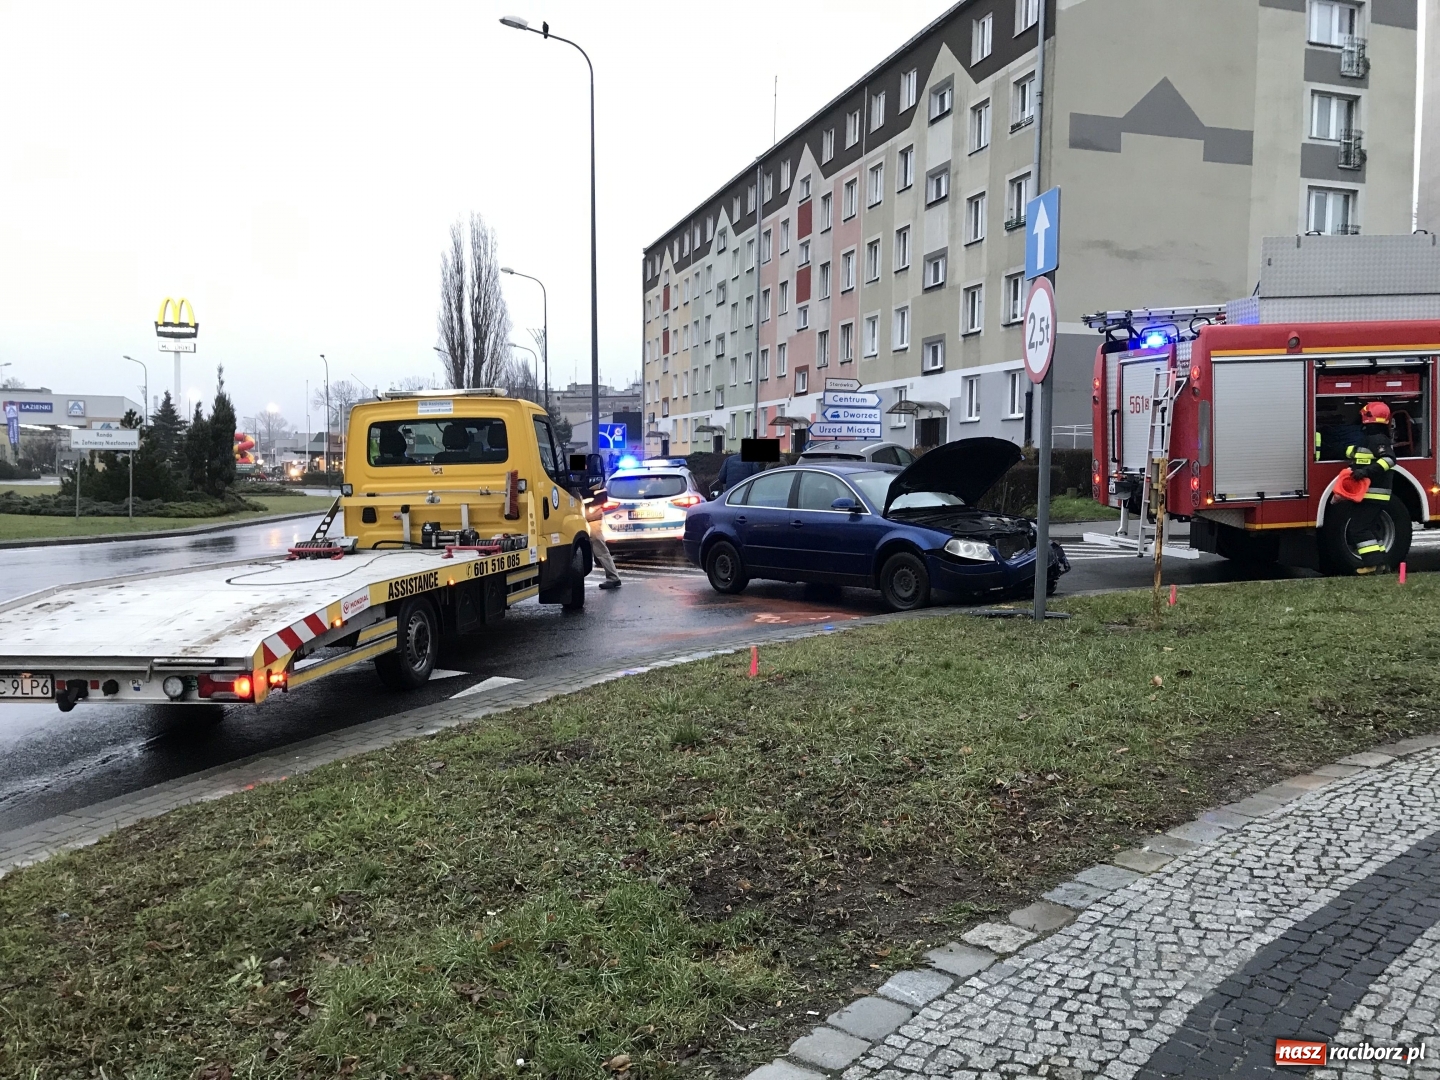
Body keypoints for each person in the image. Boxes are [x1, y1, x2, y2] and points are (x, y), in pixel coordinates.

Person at [1343, 400, 1397, 573]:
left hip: (1373, 493)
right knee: (1369, 528)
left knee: (1358, 529)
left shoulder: (1377, 439)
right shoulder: (1371, 440)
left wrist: (1365, 472)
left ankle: (1371, 564)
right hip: (1370, 494)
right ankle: (1382, 563)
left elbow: (1389, 460)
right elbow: (1359, 455)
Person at [584, 488, 622, 590]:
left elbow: (602, 494)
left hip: (592, 518)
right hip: (581, 516)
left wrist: (592, 508)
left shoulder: (594, 481)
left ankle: (613, 578)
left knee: (599, 547)